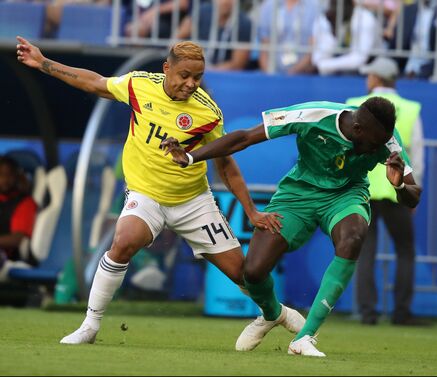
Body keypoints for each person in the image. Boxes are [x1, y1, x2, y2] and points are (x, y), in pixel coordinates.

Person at [15, 36, 305, 345]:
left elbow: (226, 165)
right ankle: (90, 325)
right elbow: (94, 83)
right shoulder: (139, 85)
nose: (192, 83)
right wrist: (43, 63)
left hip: (193, 201)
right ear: (167, 68)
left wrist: (251, 211)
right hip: (146, 194)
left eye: (198, 77)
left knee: (244, 275)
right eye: (185, 75)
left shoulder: (208, 114)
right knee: (124, 241)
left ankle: (276, 313)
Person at [161, 96, 422, 357]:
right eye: (372, 144)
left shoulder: (387, 140)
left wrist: (399, 185)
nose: (376, 150)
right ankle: (273, 313)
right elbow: (244, 138)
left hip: (346, 195)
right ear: (357, 129)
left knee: (352, 238)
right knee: (252, 272)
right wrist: (191, 157)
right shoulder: (312, 115)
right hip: (298, 194)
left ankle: (305, 337)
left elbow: (413, 194)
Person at [347, 57, 427, 326]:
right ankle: (401, 312)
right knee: (405, 249)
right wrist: (412, 191)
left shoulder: (353, 104)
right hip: (397, 188)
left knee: (364, 251)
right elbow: (417, 153)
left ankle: (366, 312)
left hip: (362, 190)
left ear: (375, 79)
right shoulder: (411, 108)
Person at [176, 0, 253, 71]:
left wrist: (209, 70)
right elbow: (177, 39)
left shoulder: (244, 23)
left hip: (223, 75)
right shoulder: (202, 12)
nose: (225, 2)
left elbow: (238, 64)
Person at [312, 0, 384, 76]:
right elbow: (318, 58)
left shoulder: (365, 20)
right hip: (341, 67)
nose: (336, 9)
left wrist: (325, 65)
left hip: (369, 68)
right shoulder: (328, 18)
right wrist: (332, 32)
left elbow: (359, 59)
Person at [0, 156, 39, 281]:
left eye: (9, 175)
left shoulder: (25, 203)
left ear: (17, 176)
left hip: (7, 259)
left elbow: (16, 239)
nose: (5, 180)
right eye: (1, 175)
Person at [257, 0, 321, 75]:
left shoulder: (314, 6)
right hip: (273, 73)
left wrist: (291, 74)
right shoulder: (269, 5)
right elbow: (264, 49)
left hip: (304, 75)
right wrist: (270, 75)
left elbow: (313, 50)